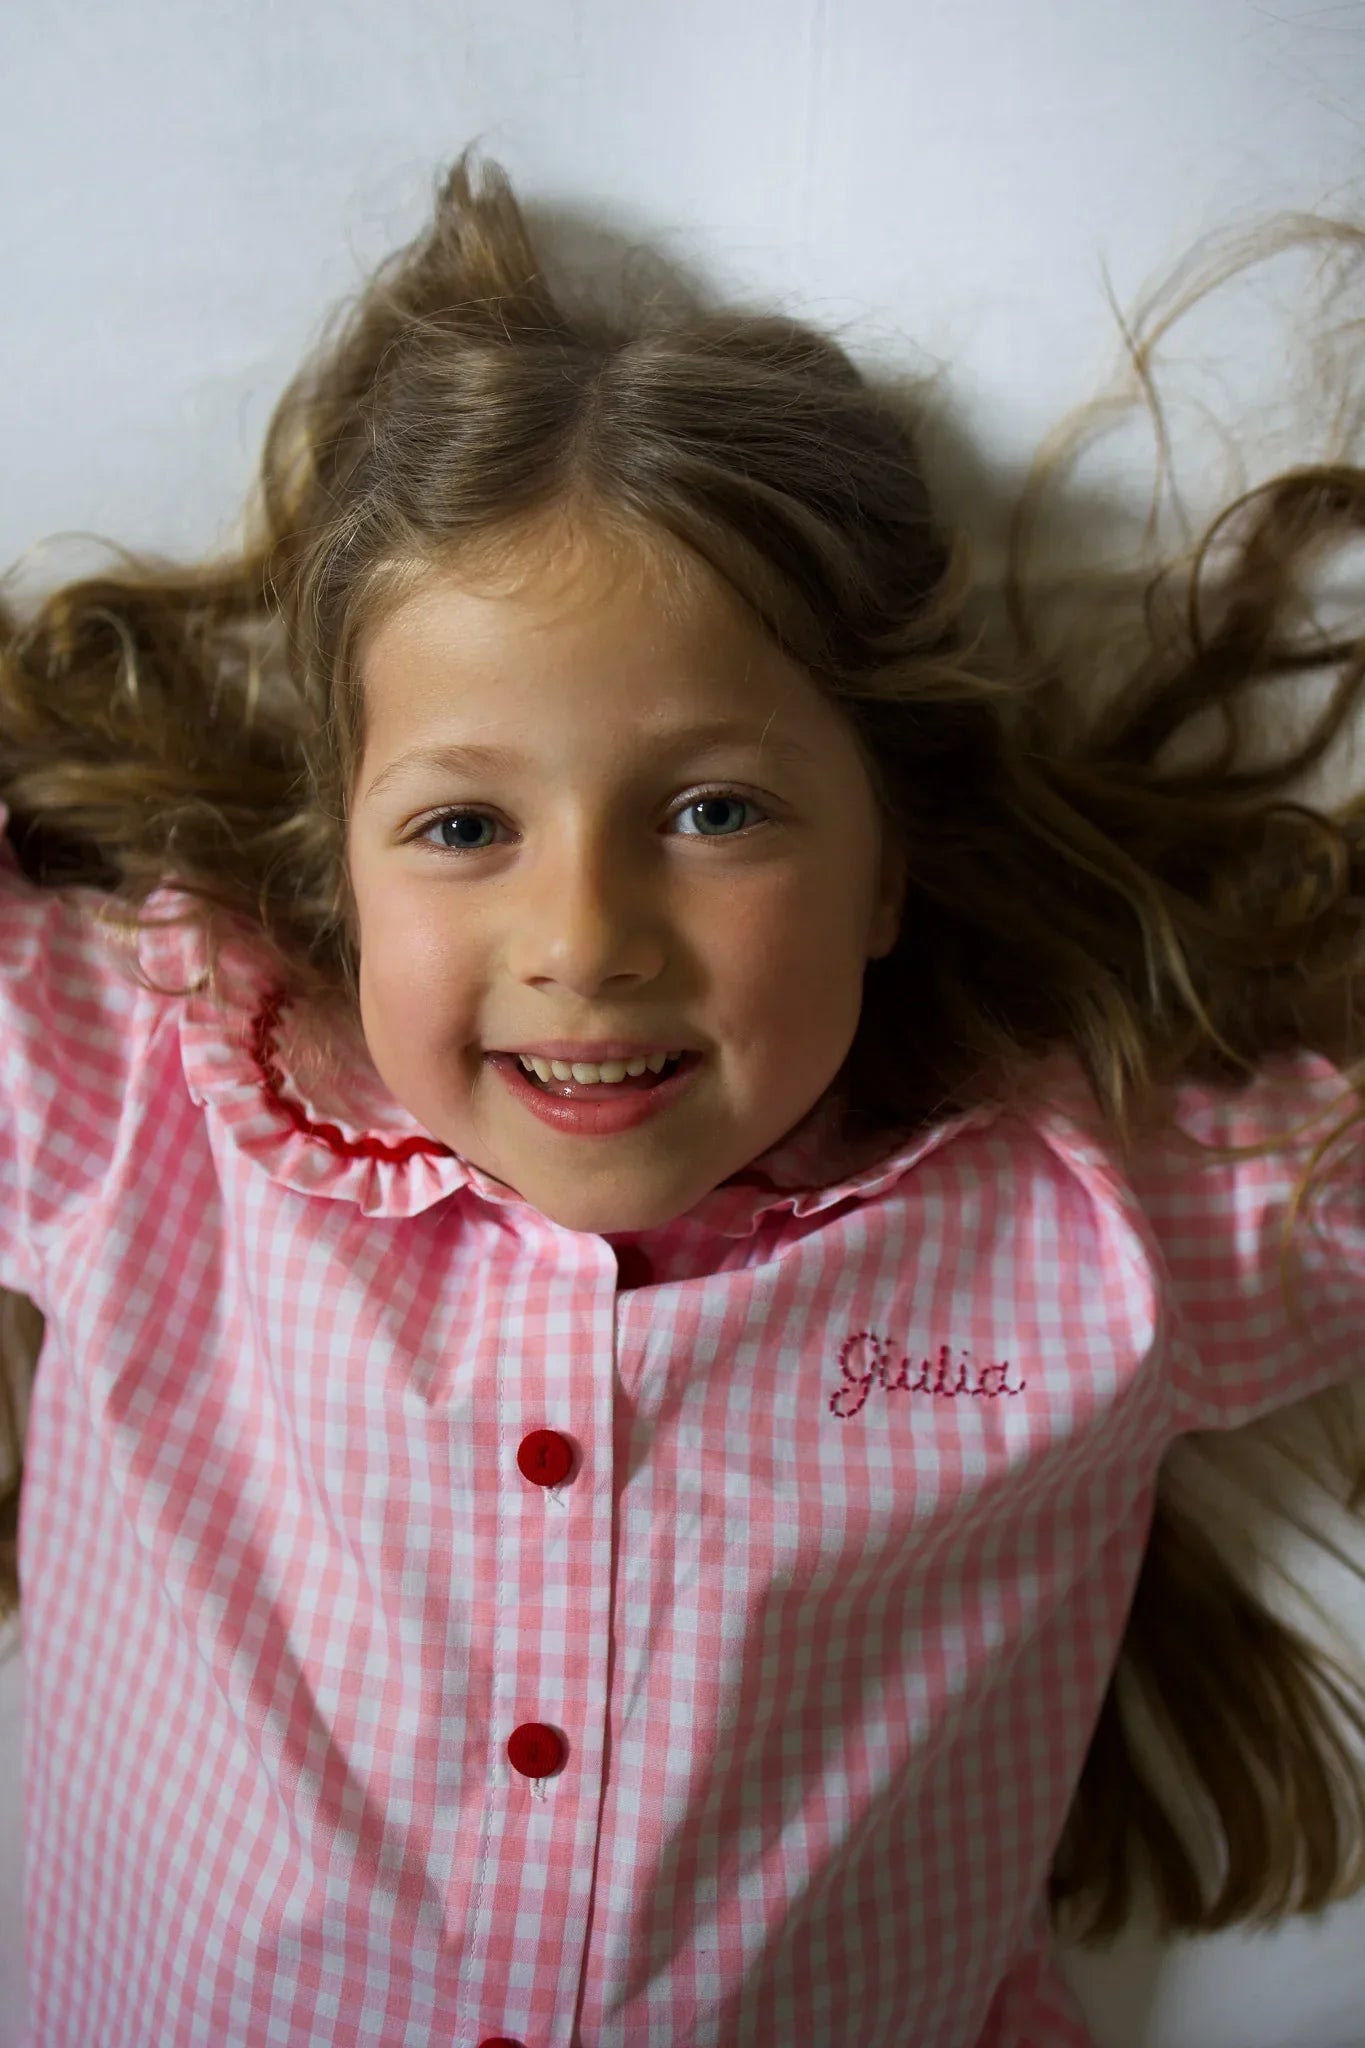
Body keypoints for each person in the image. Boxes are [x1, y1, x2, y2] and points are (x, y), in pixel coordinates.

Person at [0, 145, 1364, 2048]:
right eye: (462, 825)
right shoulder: (142, 1090)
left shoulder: (1091, 1227)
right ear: (341, 865)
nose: (586, 936)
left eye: (714, 812)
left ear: (888, 865)